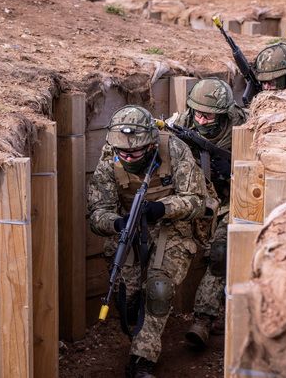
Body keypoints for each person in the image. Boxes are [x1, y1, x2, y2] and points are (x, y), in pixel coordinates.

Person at [87, 105, 206, 378]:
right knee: (128, 297)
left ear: (152, 144)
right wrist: (117, 223)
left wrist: (162, 209)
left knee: (158, 288)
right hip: (128, 231)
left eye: (135, 151)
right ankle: (136, 326)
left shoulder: (174, 150)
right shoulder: (109, 160)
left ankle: (142, 360)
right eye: (123, 152)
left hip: (171, 228)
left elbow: (197, 200)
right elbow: (96, 214)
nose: (128, 157)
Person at [170, 78, 247, 347]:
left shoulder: (243, 126)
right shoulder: (181, 123)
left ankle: (203, 318)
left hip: (230, 201)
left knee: (219, 253)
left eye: (209, 116)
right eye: (198, 114)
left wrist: (235, 172)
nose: (201, 121)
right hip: (194, 199)